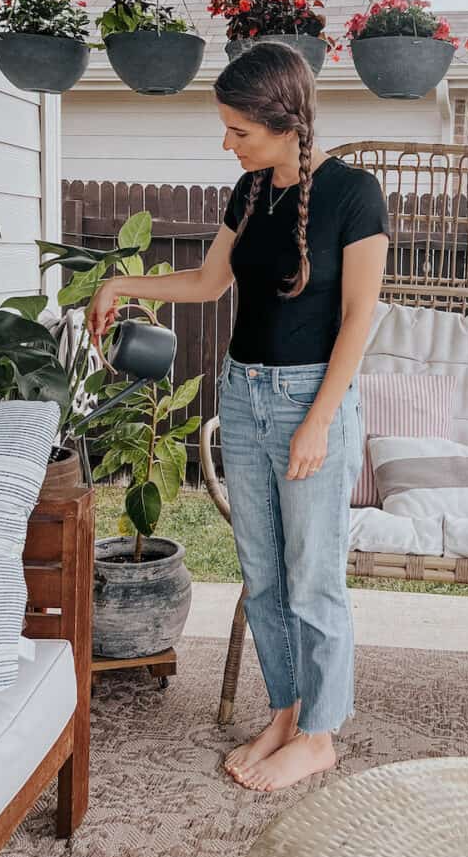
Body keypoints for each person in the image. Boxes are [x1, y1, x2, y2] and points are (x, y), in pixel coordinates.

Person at [87, 41, 389, 792]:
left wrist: (320, 419)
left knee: (312, 576)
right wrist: (124, 280)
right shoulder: (251, 192)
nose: (227, 143)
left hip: (309, 399)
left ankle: (320, 735)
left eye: (238, 131)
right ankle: (285, 711)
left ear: (285, 123)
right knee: (262, 576)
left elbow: (359, 318)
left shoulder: (355, 194)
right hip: (244, 396)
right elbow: (209, 278)